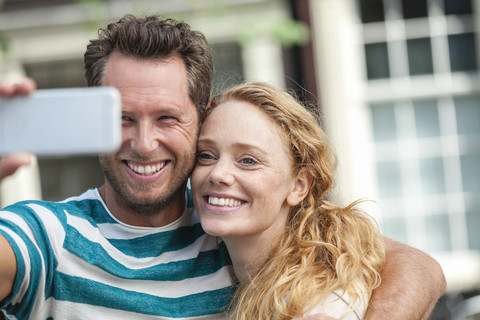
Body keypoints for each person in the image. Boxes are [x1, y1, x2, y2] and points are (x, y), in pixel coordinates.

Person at [0, 14, 445, 320]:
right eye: (122, 118)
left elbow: (415, 266)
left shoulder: (234, 221)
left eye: (167, 118)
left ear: (201, 117)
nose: (143, 143)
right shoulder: (46, 236)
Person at [191, 81, 385, 319]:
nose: (218, 174)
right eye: (206, 155)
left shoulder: (316, 306)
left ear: (299, 185)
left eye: (248, 161)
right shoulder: (257, 274)